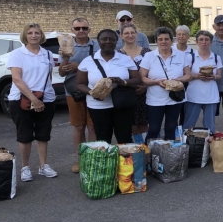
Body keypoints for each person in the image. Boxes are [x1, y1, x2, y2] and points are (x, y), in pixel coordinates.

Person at [8, 23, 58, 182]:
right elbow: (16, 79)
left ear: (41, 35)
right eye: (30, 33)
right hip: (21, 99)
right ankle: (25, 167)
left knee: (43, 133)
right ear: (25, 35)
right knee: (25, 135)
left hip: (46, 99)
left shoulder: (48, 54)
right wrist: (34, 99)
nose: (34, 35)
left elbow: (48, 77)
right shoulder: (17, 54)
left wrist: (43, 96)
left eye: (37, 32)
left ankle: (43, 166)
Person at [76, 29, 141, 143]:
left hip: (122, 104)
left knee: (124, 137)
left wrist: (123, 82)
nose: (108, 42)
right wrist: (92, 92)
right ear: (98, 41)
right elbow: (79, 84)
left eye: (112, 39)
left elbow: (137, 79)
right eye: (104, 39)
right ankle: (107, 161)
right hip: (98, 106)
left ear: (117, 41)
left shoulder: (125, 59)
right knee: (103, 139)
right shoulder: (88, 61)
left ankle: (125, 160)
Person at [58, 17, 99, 173]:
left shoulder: (96, 45)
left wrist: (79, 66)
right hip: (73, 91)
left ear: (89, 29)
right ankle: (80, 159)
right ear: (72, 30)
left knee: (92, 126)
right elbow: (62, 73)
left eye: (84, 28)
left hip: (93, 90)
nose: (81, 31)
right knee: (79, 127)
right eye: (77, 28)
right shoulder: (67, 46)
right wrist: (66, 59)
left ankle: (93, 157)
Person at [139, 27, 191, 140]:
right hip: (155, 99)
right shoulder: (149, 56)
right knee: (154, 129)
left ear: (172, 41)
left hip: (175, 98)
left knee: (171, 127)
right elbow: (142, 77)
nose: (163, 41)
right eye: (160, 39)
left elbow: (188, 75)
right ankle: (149, 155)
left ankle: (169, 155)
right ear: (156, 41)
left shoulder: (181, 55)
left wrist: (178, 81)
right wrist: (156, 82)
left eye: (166, 39)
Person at [183, 31, 223, 134]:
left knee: (210, 126)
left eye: (206, 39)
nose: (204, 42)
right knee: (188, 125)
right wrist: (196, 76)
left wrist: (213, 76)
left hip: (211, 95)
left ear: (211, 42)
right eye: (201, 39)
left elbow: (219, 76)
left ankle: (209, 147)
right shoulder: (190, 57)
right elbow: (185, 76)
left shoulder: (216, 57)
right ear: (196, 42)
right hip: (194, 95)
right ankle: (187, 146)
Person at [118, 23, 151, 136]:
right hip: (126, 93)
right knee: (130, 124)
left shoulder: (147, 52)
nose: (130, 35)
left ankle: (144, 149)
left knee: (143, 124)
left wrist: (146, 86)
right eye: (126, 33)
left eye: (132, 32)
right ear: (121, 36)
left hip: (144, 93)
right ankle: (134, 150)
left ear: (136, 34)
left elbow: (155, 73)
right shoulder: (117, 54)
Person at [174, 25, 193, 126]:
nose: (181, 36)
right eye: (179, 34)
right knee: (173, 113)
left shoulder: (192, 52)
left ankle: (182, 135)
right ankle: (172, 135)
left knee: (184, 112)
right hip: (172, 84)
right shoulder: (170, 49)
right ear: (176, 36)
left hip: (187, 85)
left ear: (188, 36)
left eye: (184, 34)